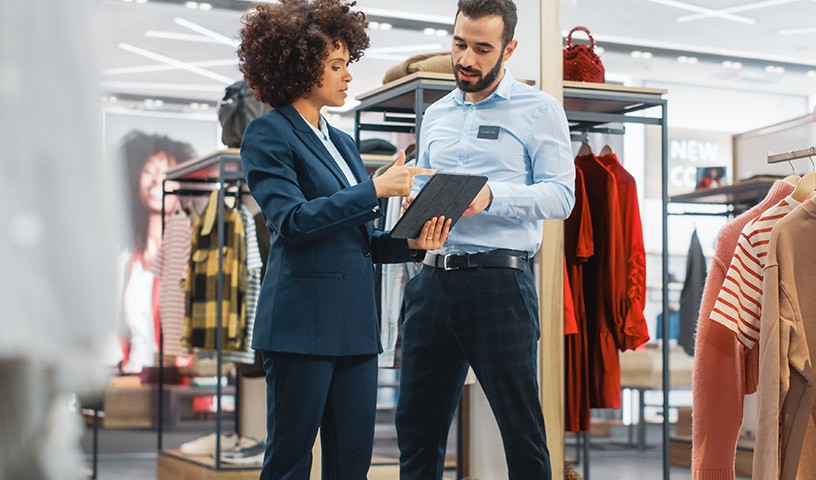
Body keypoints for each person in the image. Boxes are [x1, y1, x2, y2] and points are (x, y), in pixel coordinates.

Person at [237, 1, 450, 478]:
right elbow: (291, 220)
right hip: (300, 326)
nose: (347, 76)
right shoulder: (267, 134)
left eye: (346, 65)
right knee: (290, 461)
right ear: (299, 65)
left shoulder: (345, 143)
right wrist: (372, 188)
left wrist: (412, 244)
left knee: (352, 463)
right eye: (335, 66)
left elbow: (360, 240)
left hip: (355, 327)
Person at [395, 1, 575, 478]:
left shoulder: (540, 110)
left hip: (500, 283)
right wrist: (412, 206)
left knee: (521, 432)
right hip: (431, 283)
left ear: (509, 49)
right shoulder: (435, 114)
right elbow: (422, 185)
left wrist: (492, 195)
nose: (466, 60)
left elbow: (561, 197)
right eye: (459, 44)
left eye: (481, 48)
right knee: (415, 430)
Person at [119, 130, 196, 373]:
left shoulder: (187, 253)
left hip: (173, 382)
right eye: (149, 171)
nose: (156, 181)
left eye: (167, 173)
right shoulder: (129, 262)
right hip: (132, 377)